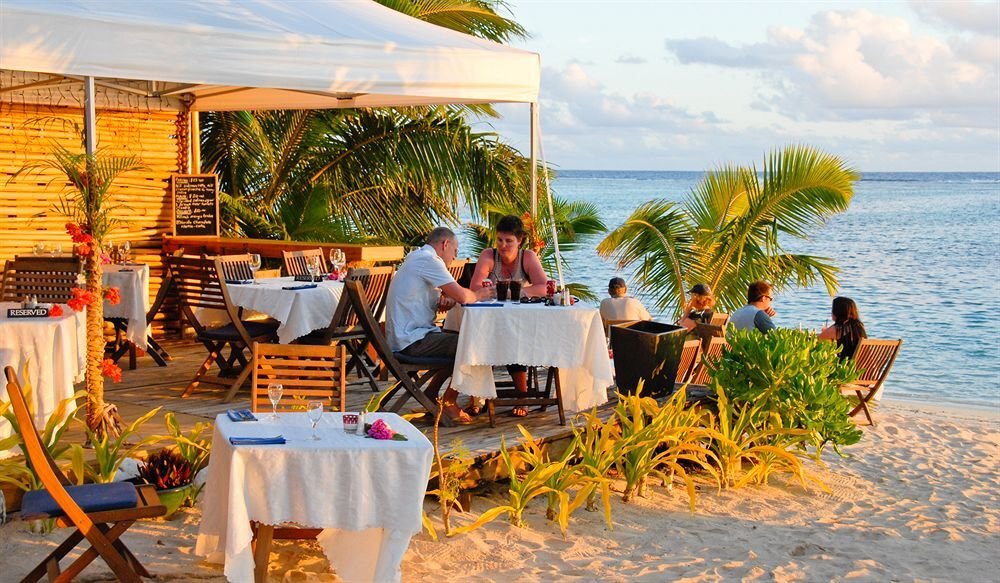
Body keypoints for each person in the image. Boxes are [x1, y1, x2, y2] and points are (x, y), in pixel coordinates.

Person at [386, 227, 494, 423]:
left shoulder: (416, 257)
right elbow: (464, 296)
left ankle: (431, 394)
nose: (454, 257)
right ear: (445, 244)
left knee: (459, 339)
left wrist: (443, 299)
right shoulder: (429, 260)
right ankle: (449, 402)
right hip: (411, 342)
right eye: (455, 251)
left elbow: (422, 296)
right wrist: (480, 294)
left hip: (408, 336)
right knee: (473, 345)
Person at [469, 214, 549, 417]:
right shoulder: (489, 255)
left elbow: (544, 287)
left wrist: (516, 292)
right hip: (491, 320)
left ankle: (521, 396)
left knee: (513, 337)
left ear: (519, 240)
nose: (503, 245)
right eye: (499, 240)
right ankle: (477, 395)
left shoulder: (527, 257)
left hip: (520, 321)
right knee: (477, 339)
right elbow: (475, 287)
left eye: (509, 241)